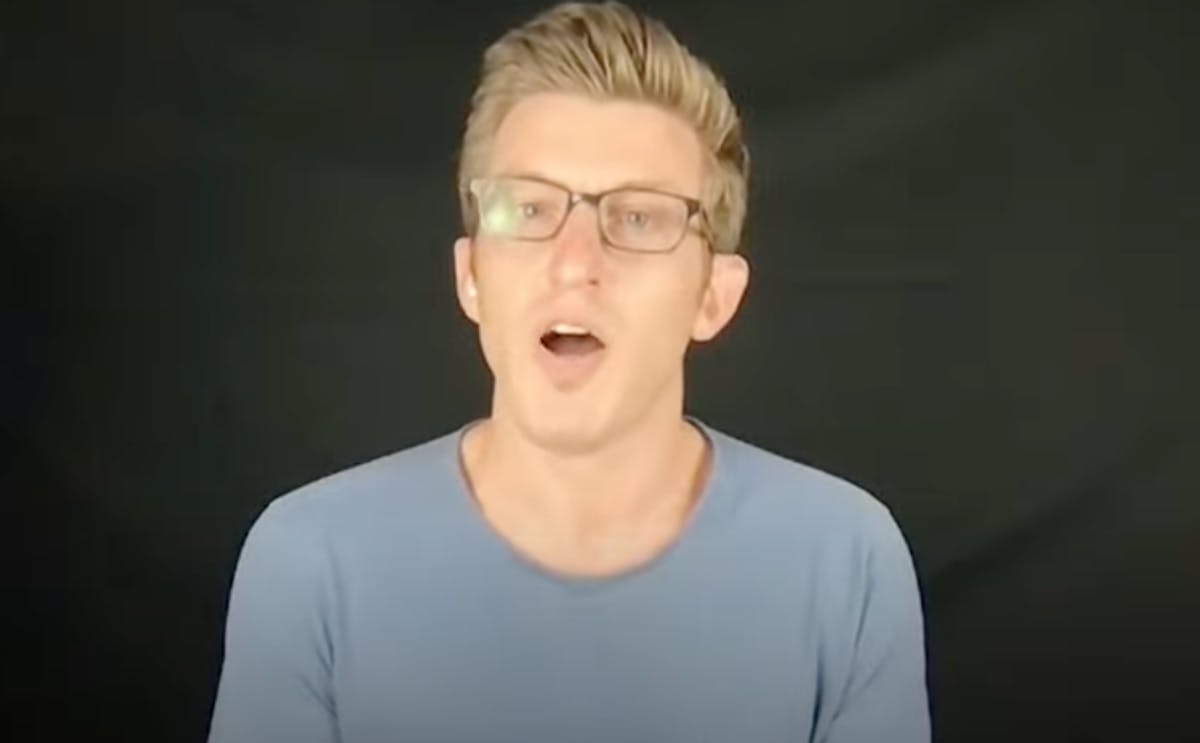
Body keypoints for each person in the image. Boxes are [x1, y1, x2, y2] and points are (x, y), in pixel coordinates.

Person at [206, 2, 931, 741]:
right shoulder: (308, 562)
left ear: (714, 296)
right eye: (528, 209)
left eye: (640, 218)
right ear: (471, 277)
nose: (575, 262)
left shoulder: (846, 562)